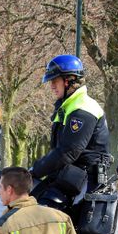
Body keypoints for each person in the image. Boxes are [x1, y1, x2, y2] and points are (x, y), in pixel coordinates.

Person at [29, 54, 110, 212]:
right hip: (70, 173)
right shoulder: (67, 107)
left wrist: (36, 170)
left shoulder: (83, 108)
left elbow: (68, 152)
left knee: (42, 212)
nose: (52, 86)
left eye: (55, 81)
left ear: (69, 80)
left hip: (86, 178)